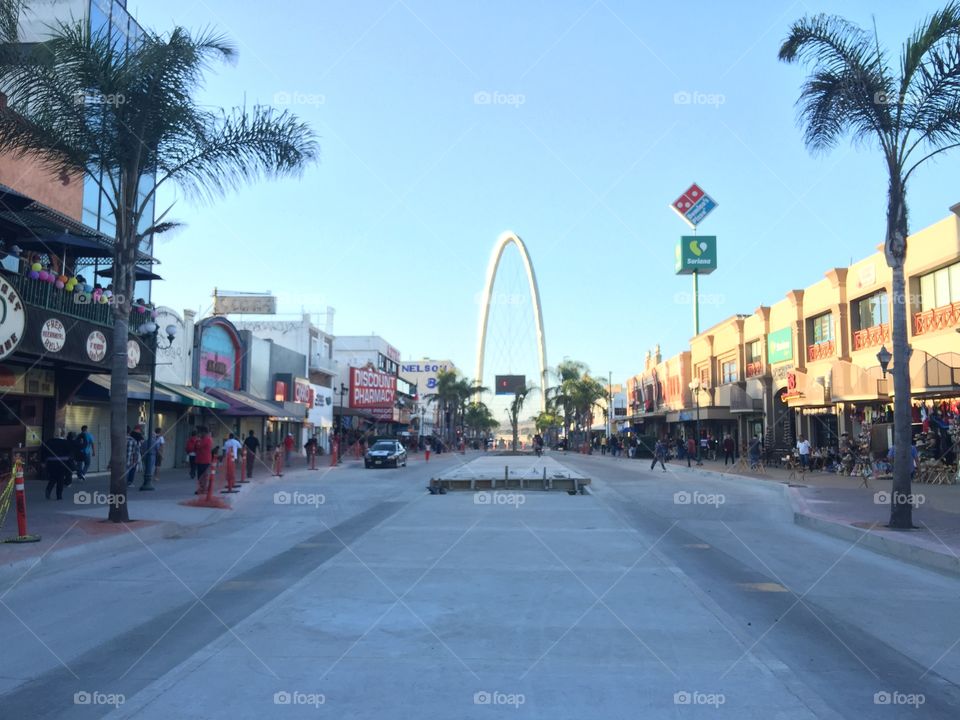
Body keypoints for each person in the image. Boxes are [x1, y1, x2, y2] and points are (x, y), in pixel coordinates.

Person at [44, 432, 74, 500]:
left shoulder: (49, 442)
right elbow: (70, 453)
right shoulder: (65, 442)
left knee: (53, 478)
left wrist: (43, 461)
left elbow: (44, 451)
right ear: (63, 435)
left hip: (51, 463)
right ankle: (59, 496)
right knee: (60, 480)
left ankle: (48, 490)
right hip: (62, 463)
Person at [194, 427, 213, 494]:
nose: (199, 434)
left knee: (203, 475)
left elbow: (198, 446)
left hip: (204, 460)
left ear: (204, 432)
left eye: (200, 432)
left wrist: (198, 440)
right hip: (200, 459)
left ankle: (203, 489)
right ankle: (201, 488)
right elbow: (195, 447)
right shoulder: (203, 439)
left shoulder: (206, 439)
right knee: (200, 475)